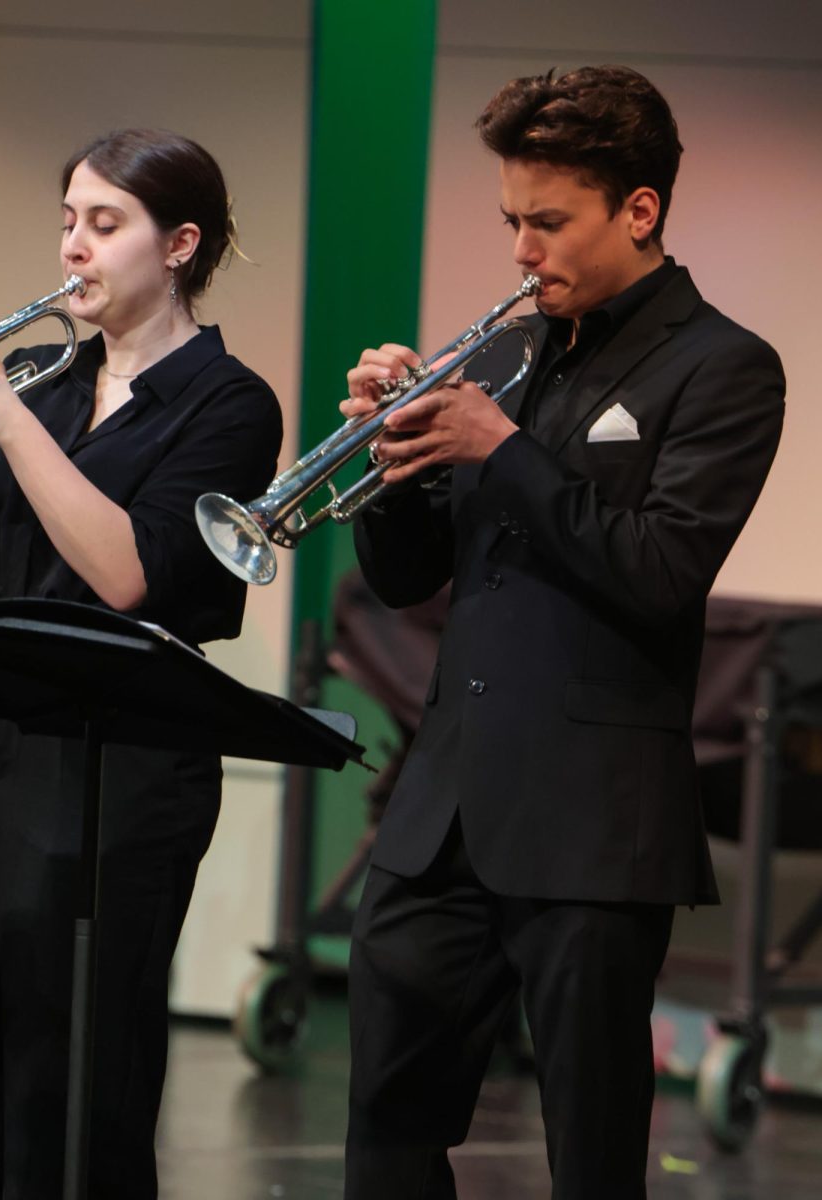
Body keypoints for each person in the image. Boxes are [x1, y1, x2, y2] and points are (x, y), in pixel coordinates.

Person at [340, 66, 785, 1199]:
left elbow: (660, 571)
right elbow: (406, 580)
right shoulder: (508, 355)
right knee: (386, 1128)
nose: (524, 251)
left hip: (592, 830)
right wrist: (389, 466)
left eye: (549, 223)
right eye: (512, 223)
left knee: (590, 1158)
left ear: (638, 211)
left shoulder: (725, 366)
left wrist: (506, 451)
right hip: (439, 816)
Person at [0, 129, 282, 1198]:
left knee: (75, 1075)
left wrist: (5, 424)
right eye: (68, 221)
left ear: (180, 246)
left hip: (122, 765)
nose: (74, 247)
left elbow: (126, 572)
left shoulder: (230, 405)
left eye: (104, 225)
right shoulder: (47, 381)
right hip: (7, 742)